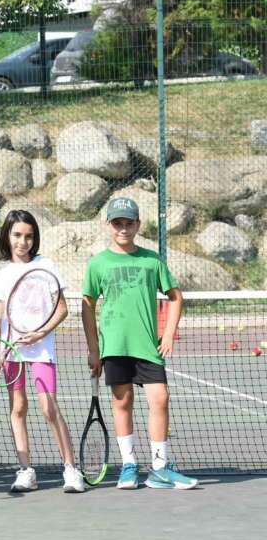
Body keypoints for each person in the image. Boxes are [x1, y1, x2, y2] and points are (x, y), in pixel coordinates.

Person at [81, 197, 197, 491]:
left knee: (160, 398)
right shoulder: (98, 263)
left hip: (147, 346)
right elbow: (87, 304)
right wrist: (94, 349)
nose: (123, 228)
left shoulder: (151, 260)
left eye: (128, 223)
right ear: (108, 225)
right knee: (123, 402)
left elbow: (176, 297)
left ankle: (159, 468)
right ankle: (129, 465)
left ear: (137, 225)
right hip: (114, 346)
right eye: (117, 223)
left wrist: (168, 334)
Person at [0, 210, 85, 493]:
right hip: (12, 352)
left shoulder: (47, 266)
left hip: (41, 350)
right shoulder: (3, 275)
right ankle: (25, 471)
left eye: (29, 236)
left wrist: (41, 332)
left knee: (48, 408)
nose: (23, 242)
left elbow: (63, 309)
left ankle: (70, 469)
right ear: (7, 236)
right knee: (17, 408)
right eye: (17, 235)